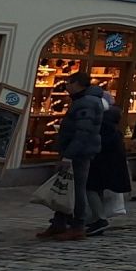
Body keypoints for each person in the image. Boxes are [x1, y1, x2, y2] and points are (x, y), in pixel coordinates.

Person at [37, 71, 105, 240]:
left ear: (76, 84)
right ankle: (59, 223)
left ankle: (77, 225)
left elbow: (83, 131)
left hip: (79, 153)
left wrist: (69, 155)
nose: (66, 86)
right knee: (64, 186)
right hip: (75, 150)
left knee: (76, 189)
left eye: (68, 83)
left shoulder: (86, 103)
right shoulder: (84, 100)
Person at [85, 98, 132, 236]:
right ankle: (96, 217)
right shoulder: (112, 127)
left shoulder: (103, 126)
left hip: (101, 163)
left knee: (91, 188)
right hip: (109, 163)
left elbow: (99, 144)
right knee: (96, 188)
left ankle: (99, 219)